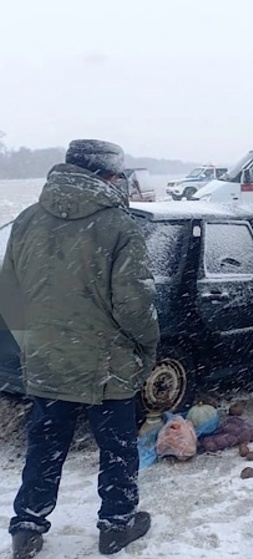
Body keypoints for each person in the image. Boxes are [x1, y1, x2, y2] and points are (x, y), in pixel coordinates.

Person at [0, 139, 160, 558]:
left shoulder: (27, 220)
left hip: (49, 361)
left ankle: (28, 527)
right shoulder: (119, 226)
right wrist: (147, 344)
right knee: (118, 448)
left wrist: (33, 345)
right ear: (107, 175)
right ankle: (116, 526)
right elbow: (134, 303)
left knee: (45, 447)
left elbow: (9, 295)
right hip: (106, 367)